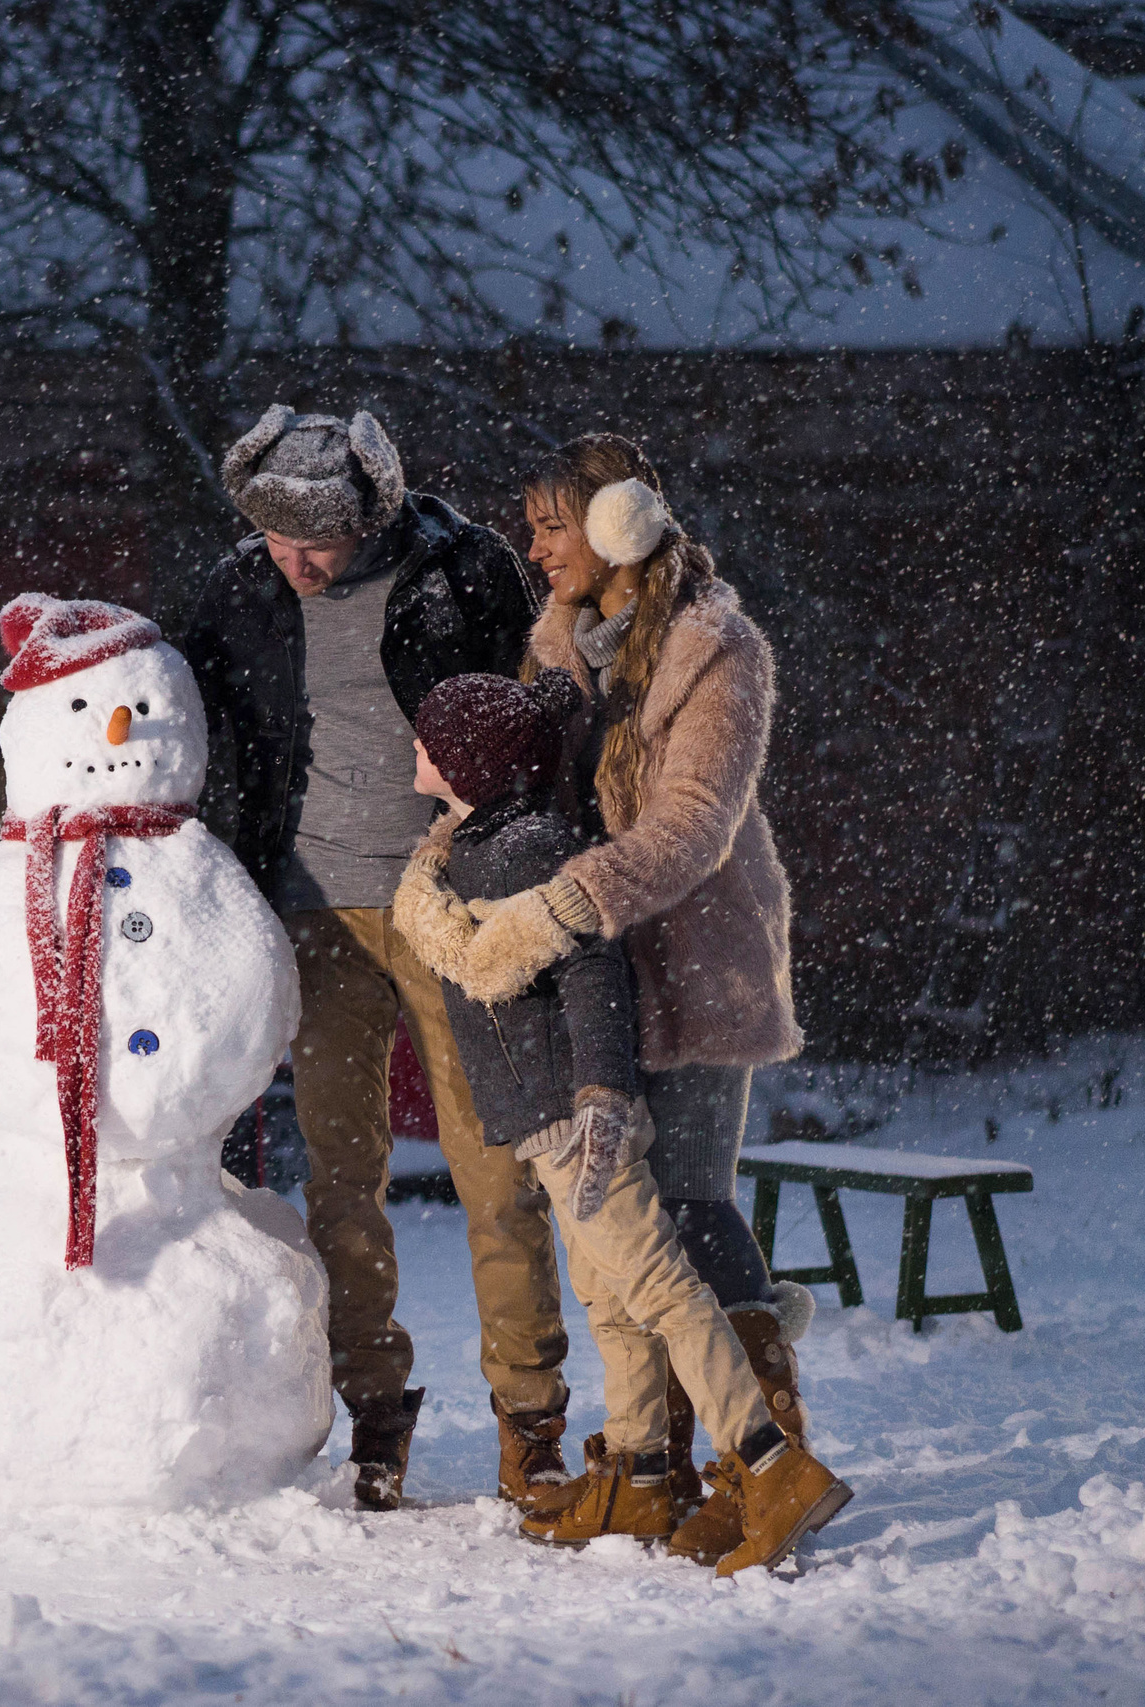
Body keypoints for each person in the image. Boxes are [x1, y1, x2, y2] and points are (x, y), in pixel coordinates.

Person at [400, 432, 816, 1525]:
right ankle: (662, 1464)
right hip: (598, 975)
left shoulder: (716, 650)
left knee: (687, 1201)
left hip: (693, 959)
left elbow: (690, 828)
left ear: (613, 524)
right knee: (628, 1230)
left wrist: (554, 908)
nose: (532, 546)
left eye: (548, 523)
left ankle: (766, 1461)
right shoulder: (559, 649)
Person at [182, 403, 566, 1513]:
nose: (295, 562)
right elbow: (189, 729)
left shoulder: (464, 574)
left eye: (317, 543)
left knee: (495, 1160)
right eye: (274, 538)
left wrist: (526, 857)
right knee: (339, 1173)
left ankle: (527, 1416)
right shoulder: (239, 589)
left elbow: (539, 712)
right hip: (311, 908)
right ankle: (373, 1405)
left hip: (448, 898)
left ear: (371, 516)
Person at [391, 669, 851, 1571]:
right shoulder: (475, 847)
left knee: (663, 1291)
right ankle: (641, 1474)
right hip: (547, 1126)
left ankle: (770, 1463)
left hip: (577, 1121)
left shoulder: (528, 852)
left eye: (429, 737)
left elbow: (595, 973)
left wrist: (601, 1095)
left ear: (468, 764)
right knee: (613, 1305)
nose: (414, 747)